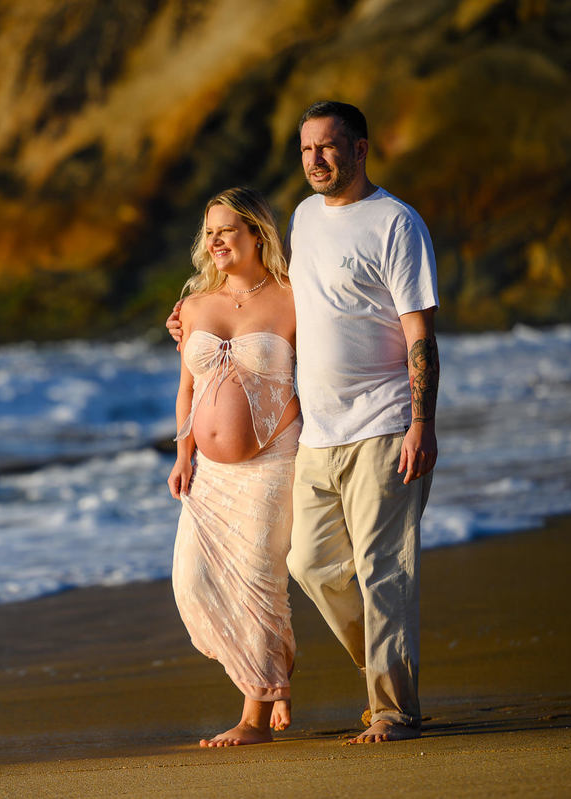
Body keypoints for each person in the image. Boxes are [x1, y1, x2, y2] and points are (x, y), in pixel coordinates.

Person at [167, 101, 439, 744]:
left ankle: (392, 709)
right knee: (311, 566)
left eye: (328, 147)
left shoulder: (396, 223)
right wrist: (189, 327)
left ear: (361, 149)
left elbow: (419, 332)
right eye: (306, 149)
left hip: (380, 421)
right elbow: (224, 340)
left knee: (381, 568)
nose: (315, 160)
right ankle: (379, 670)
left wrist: (422, 420)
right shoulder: (305, 220)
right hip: (318, 433)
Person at [168, 186, 301, 747]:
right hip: (210, 475)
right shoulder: (195, 306)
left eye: (227, 229)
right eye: (210, 231)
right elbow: (186, 388)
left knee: (259, 578)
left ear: (256, 233)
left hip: (274, 457)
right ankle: (271, 677)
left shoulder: (294, 298)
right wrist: (182, 450)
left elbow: (323, 369)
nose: (216, 239)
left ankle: (254, 715)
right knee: (192, 583)